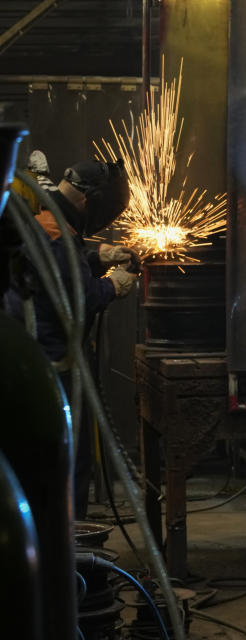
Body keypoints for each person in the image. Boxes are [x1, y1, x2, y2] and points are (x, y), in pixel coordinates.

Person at [4, 158, 136, 519]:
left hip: (34, 360)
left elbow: (62, 271)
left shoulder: (48, 221)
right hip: (54, 366)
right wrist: (113, 285)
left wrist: (98, 256)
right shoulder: (60, 238)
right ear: (88, 203)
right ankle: (70, 551)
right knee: (70, 459)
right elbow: (79, 300)